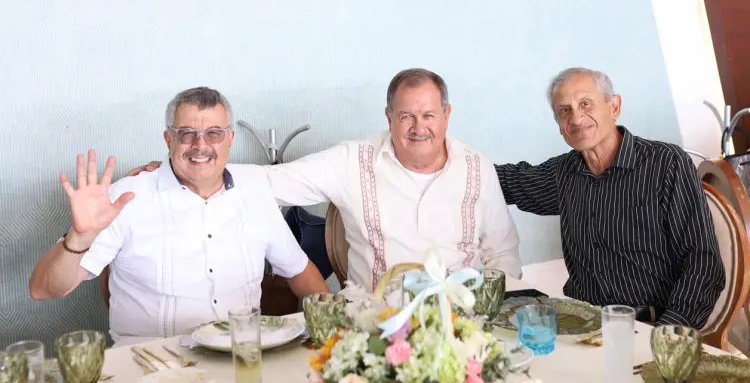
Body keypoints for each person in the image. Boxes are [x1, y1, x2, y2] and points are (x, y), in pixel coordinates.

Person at [131, 69, 522, 291]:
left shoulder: (477, 168)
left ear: (447, 115)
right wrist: (184, 167)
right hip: (375, 326)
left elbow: (503, 252)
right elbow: (271, 181)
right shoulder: (353, 161)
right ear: (389, 117)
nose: (418, 127)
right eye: (406, 116)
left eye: (429, 115)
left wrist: (488, 310)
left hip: (460, 324)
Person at [29, 87, 329, 345]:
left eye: (214, 133)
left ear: (230, 138)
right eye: (186, 133)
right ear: (168, 139)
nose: (201, 145)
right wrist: (79, 238)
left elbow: (299, 272)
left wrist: (339, 333)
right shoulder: (126, 198)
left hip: (238, 354)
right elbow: (43, 289)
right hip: (150, 361)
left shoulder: (255, 190)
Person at [495, 67, 725, 328]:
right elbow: (503, 181)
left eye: (585, 104)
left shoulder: (666, 163)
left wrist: (665, 335)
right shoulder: (563, 173)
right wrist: (455, 159)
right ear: (559, 125)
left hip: (651, 325)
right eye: (564, 110)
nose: (576, 118)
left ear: (614, 106)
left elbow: (703, 264)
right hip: (584, 326)